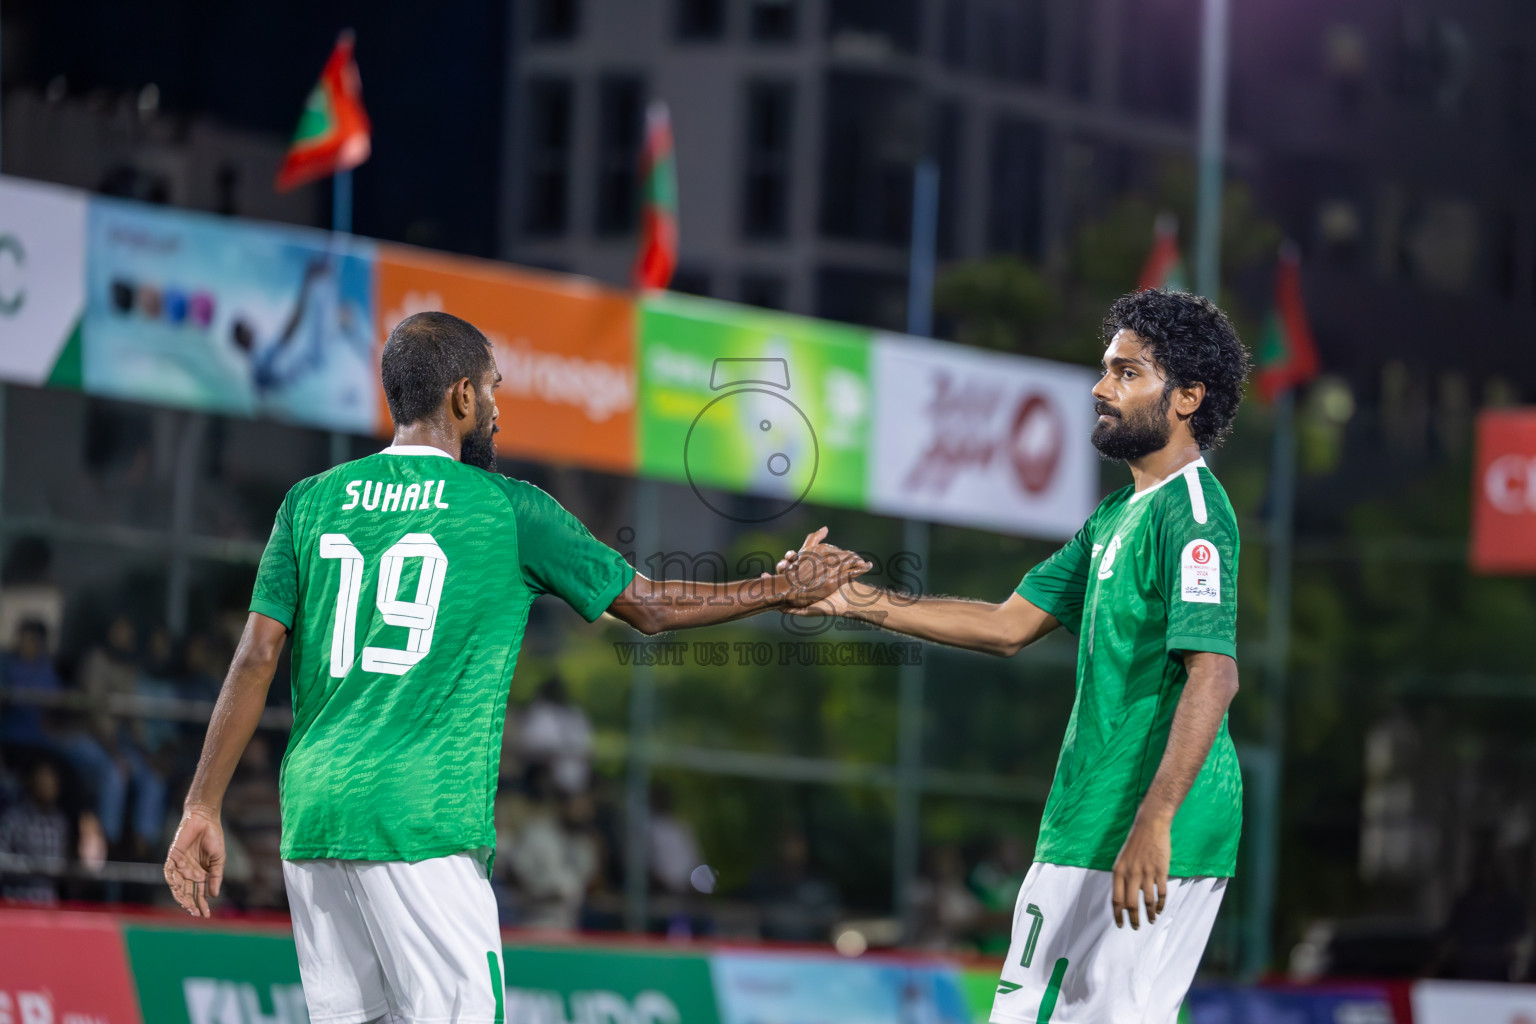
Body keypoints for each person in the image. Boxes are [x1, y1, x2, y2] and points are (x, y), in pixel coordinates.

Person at [164, 311, 869, 1024]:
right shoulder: (509, 510)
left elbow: (256, 657)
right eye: (495, 390)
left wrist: (201, 806)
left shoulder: (310, 501)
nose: (499, 410)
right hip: (422, 826)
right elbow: (650, 607)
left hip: (313, 817)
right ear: (463, 397)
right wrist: (781, 587)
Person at [782, 289, 1250, 1023]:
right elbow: (1006, 625)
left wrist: (1155, 822)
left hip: (1157, 832)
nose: (1101, 388)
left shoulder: (1194, 513)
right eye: (1106, 371)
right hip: (1083, 820)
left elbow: (1214, 674)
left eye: (1128, 373)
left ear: (1189, 396)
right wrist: (853, 601)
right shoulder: (1115, 517)